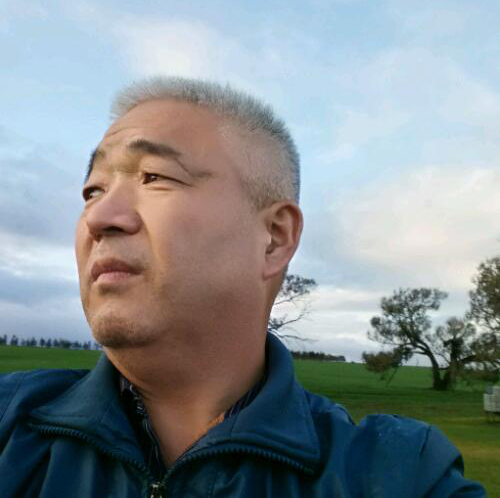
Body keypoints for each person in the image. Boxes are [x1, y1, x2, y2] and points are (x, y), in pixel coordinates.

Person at [0, 77, 485, 498]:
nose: (99, 217)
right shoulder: (10, 426)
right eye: (93, 190)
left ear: (273, 237)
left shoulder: (399, 474)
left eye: (154, 176)